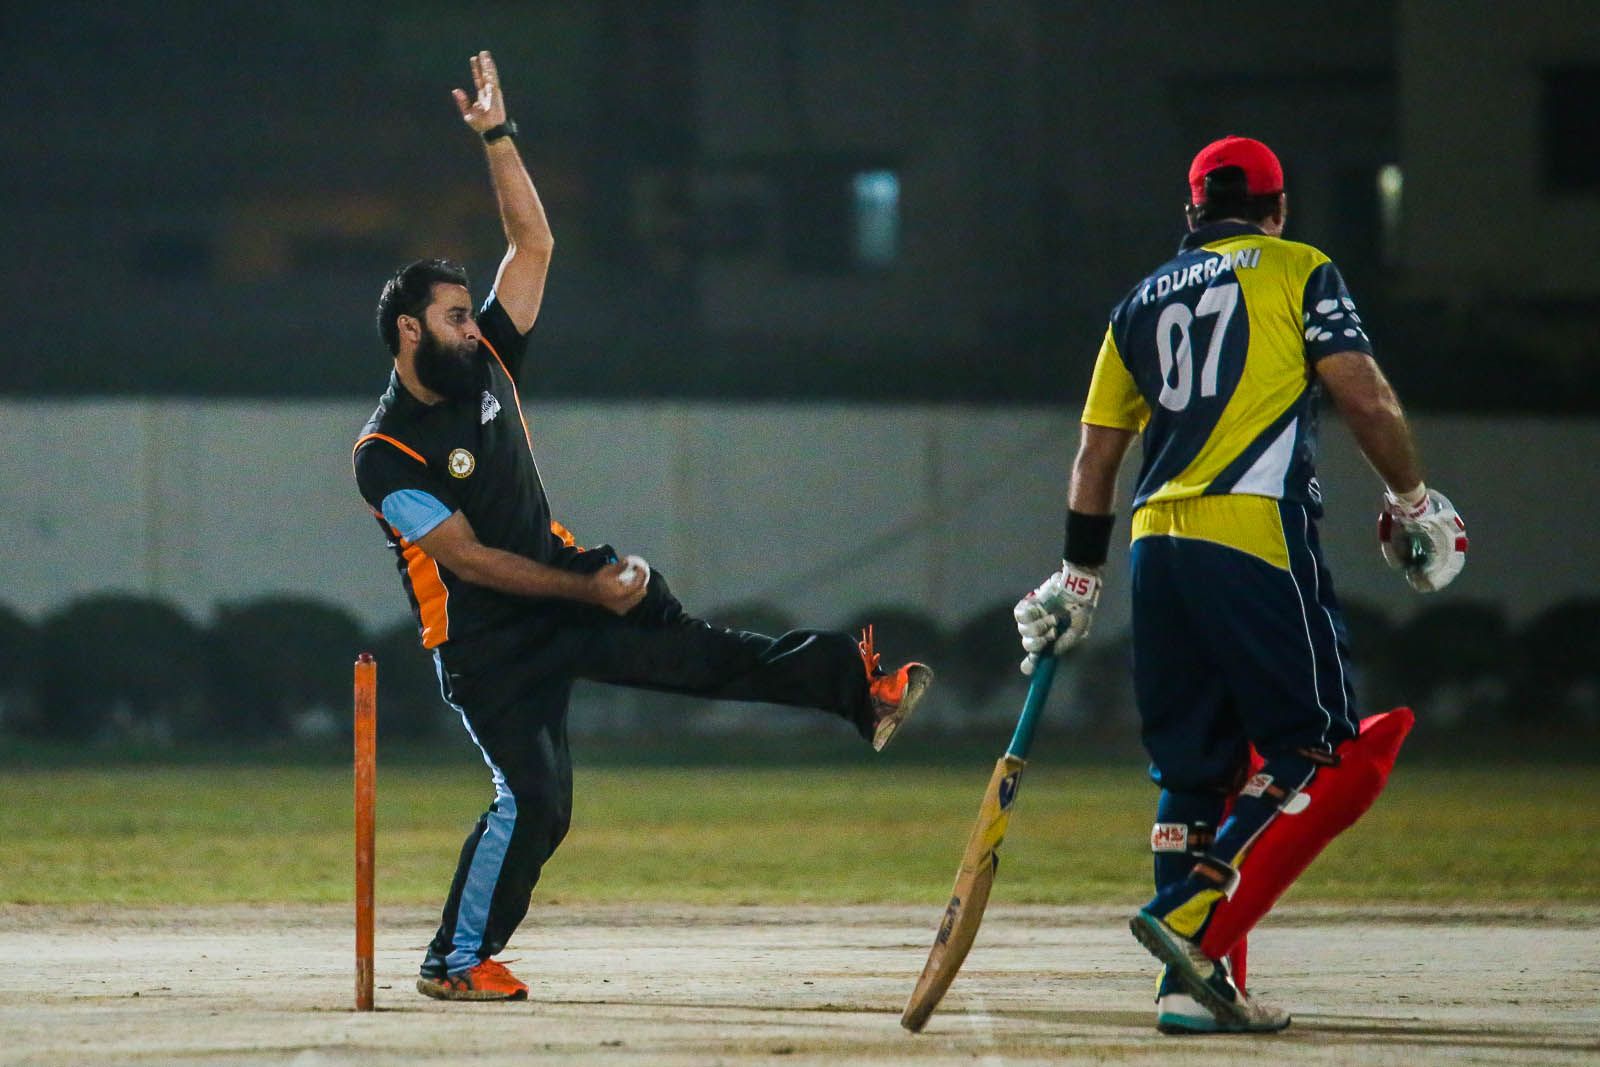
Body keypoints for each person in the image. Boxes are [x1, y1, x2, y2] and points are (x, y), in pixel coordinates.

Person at [352, 51, 933, 1002]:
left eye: (467, 315)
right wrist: (587, 586)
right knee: (537, 804)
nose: (470, 327)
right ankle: (454, 962)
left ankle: (854, 692)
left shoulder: (486, 358)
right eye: (453, 318)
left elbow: (534, 246)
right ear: (409, 333)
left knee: (700, 652)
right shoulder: (384, 454)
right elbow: (469, 561)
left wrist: (497, 137)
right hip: (486, 643)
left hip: (561, 588)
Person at [1012, 135, 1467, 1034]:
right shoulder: (1299, 268)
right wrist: (1414, 499)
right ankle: (1193, 913)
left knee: (1193, 769)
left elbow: (1096, 455)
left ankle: (1187, 988)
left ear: (1192, 211)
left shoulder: (1137, 303)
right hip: (1251, 532)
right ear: (1277, 208)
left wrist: (1079, 576)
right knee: (1316, 743)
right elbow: (1364, 395)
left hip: (1156, 544)